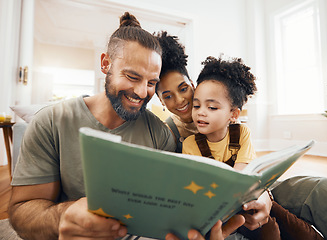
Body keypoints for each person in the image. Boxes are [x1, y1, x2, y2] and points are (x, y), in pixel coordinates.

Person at [8, 13, 242, 240]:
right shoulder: (50, 122)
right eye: (132, 77)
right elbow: (22, 211)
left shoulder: (160, 134)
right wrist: (63, 216)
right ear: (105, 63)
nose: (142, 93)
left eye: (151, 83)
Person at [155, 32, 327, 240]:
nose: (181, 100)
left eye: (183, 88)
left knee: (323, 188)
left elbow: (249, 169)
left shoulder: (236, 126)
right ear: (161, 101)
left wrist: (264, 194)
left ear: (192, 84)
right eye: (168, 96)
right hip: (219, 206)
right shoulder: (169, 134)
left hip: (255, 187)